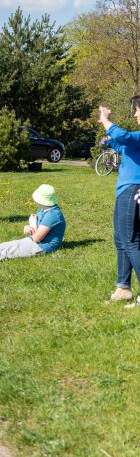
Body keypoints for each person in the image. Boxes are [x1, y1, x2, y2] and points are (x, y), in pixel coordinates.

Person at [99, 98, 140, 306]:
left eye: (137, 111)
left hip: (134, 189)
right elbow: (124, 146)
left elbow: (123, 136)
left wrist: (107, 121)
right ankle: (123, 288)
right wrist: (108, 138)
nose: (135, 115)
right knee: (121, 239)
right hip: (124, 191)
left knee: (131, 241)